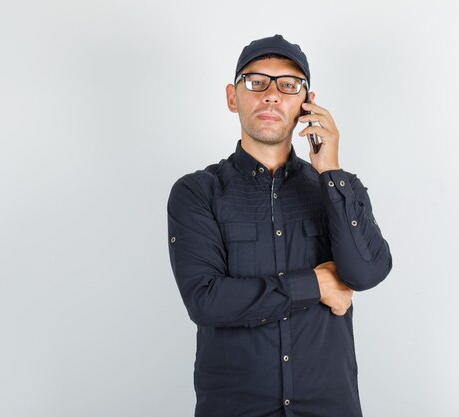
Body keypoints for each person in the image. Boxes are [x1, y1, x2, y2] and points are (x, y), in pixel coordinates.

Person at [167, 34, 392, 417]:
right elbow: (206, 300)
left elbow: (367, 272)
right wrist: (316, 285)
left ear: (307, 103)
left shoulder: (339, 187)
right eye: (256, 82)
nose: (271, 95)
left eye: (288, 85)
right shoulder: (197, 192)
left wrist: (330, 171)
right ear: (231, 97)